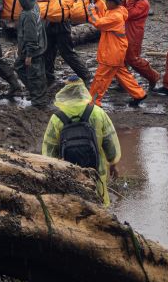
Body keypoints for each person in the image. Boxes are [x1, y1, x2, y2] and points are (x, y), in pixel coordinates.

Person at [42, 77, 121, 207]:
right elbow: (109, 141)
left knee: (75, 207)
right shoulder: (97, 113)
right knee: (100, 206)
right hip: (96, 170)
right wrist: (113, 164)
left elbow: (49, 150)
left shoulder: (57, 118)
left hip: (68, 175)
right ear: (83, 91)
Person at [86, 0, 146, 107]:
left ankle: (93, 102)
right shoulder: (118, 10)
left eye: (107, 1)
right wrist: (98, 10)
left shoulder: (115, 16)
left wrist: (91, 10)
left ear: (113, 2)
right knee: (122, 74)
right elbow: (105, 16)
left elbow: (98, 23)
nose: (105, 3)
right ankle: (139, 94)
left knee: (101, 78)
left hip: (112, 52)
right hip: (116, 50)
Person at [41, 0, 91, 86]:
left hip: (61, 28)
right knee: (48, 53)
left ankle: (85, 75)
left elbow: (64, 11)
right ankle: (49, 77)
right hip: (49, 27)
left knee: (67, 53)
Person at [124, 0, 161, 90]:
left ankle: (153, 76)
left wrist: (131, 0)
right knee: (122, 58)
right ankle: (123, 83)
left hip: (134, 34)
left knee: (133, 59)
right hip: (126, 31)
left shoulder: (143, 3)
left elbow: (128, 14)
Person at [15, 0, 48, 107]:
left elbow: (31, 36)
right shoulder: (34, 5)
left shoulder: (28, 15)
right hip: (35, 48)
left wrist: (29, 55)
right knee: (24, 68)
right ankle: (37, 93)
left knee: (35, 75)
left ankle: (39, 99)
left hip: (32, 50)